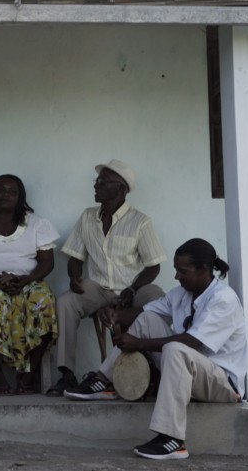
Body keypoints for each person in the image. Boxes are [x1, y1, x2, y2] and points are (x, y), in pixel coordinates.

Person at [64, 238, 247, 460]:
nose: (176, 276)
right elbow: (146, 311)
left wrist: (139, 344)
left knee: (176, 349)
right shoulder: (181, 294)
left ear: (204, 269)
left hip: (222, 385)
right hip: (188, 372)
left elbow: (192, 342)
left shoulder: (223, 299)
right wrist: (116, 315)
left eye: (182, 271)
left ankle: (173, 440)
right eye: (176, 270)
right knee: (147, 319)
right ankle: (105, 380)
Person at [47, 160, 167, 396]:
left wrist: (132, 289)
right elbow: (75, 256)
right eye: (97, 181)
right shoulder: (87, 217)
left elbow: (153, 267)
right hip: (98, 287)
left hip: (133, 287)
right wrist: (74, 275)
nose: (96, 186)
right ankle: (67, 374)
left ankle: (158, 371)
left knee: (158, 299)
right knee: (65, 302)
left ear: (121, 189)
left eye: (103, 182)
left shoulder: (140, 221)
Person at [0, 174, 60, 395]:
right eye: (0, 190)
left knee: (45, 301)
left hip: (28, 281)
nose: (5, 195)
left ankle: (30, 375)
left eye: (12, 191)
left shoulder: (37, 224)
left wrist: (25, 280)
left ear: (20, 197)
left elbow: (47, 262)